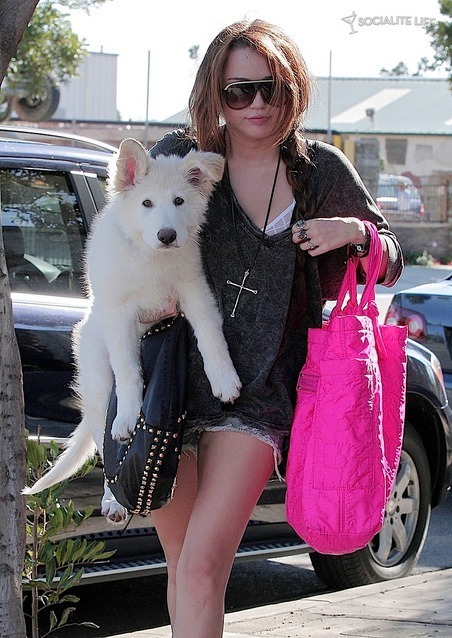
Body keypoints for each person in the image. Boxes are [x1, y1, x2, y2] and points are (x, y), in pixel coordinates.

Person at [149, 19, 403, 637]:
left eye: (271, 89)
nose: (257, 104)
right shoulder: (181, 159)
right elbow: (130, 233)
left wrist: (356, 232)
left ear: (292, 92)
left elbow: (391, 256)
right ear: (216, 94)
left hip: (262, 395)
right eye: (239, 92)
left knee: (205, 565)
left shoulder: (319, 171)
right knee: (183, 565)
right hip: (173, 382)